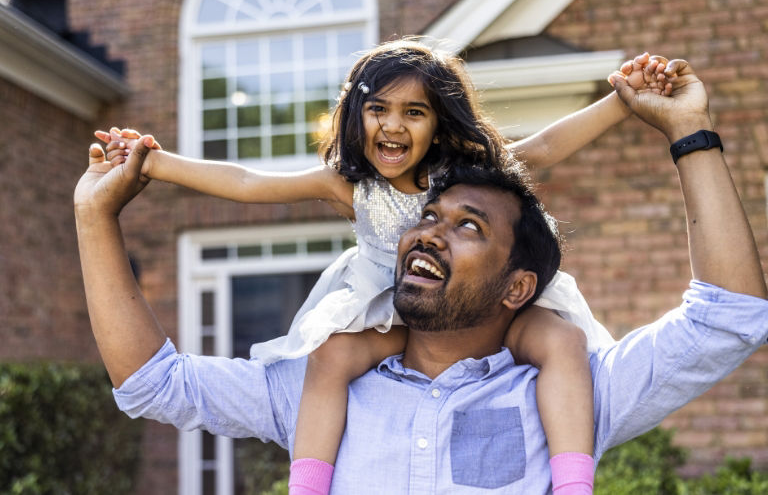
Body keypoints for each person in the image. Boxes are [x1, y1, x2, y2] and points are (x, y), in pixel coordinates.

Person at [74, 56, 768, 493]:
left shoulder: (574, 393)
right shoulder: (328, 377)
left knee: (559, 344)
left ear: (516, 284)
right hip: (373, 318)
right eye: (376, 109)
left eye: (469, 225)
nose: (428, 229)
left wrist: (654, 114)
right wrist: (133, 181)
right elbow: (154, 381)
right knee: (333, 355)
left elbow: (727, 317)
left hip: (535, 338)